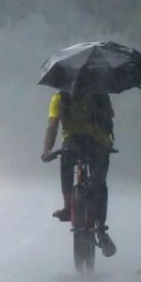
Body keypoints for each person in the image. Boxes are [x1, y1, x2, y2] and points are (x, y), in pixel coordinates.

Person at [41, 91, 117, 257]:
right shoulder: (100, 94)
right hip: (98, 143)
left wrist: (47, 150)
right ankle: (100, 227)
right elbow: (109, 119)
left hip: (73, 143)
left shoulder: (60, 98)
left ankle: (68, 205)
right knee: (100, 183)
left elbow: (52, 126)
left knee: (66, 164)